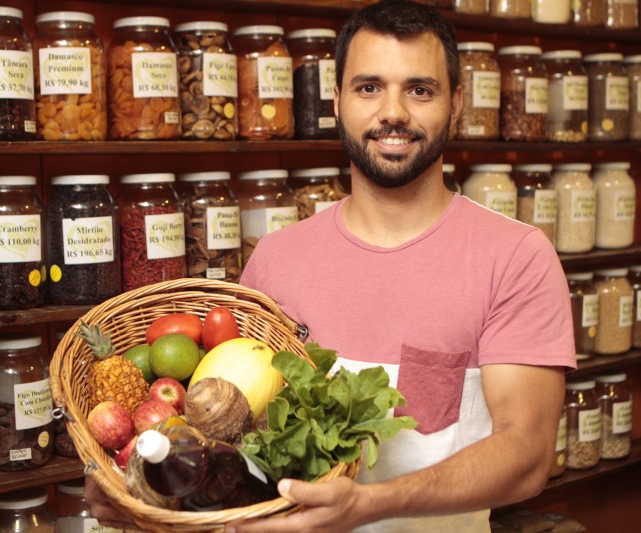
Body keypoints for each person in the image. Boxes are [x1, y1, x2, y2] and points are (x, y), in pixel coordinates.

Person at [85, 1, 576, 531]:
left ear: (455, 103)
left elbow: (527, 454)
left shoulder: (515, 256)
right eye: (369, 88)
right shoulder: (276, 260)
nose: (393, 112)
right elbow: (229, 439)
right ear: (337, 101)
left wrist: (371, 503)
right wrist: (147, 492)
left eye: (419, 89)